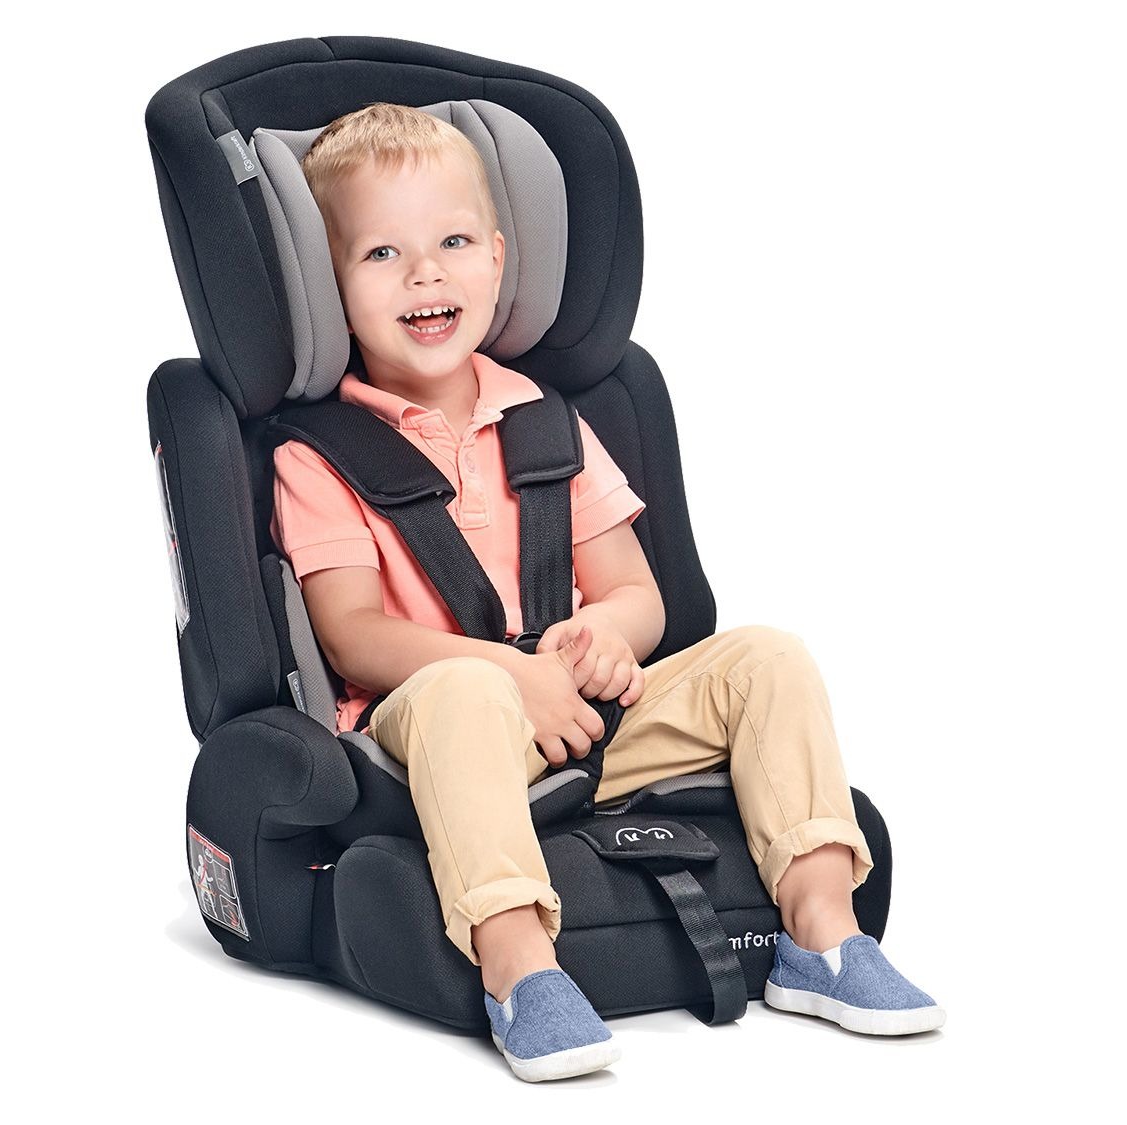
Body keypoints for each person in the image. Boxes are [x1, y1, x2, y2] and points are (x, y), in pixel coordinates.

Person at [271, 103, 943, 1082]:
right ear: (332, 285)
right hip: (431, 731)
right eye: (382, 253)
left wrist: (604, 636)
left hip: (583, 717)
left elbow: (637, 591)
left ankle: (823, 934)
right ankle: (521, 970)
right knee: (464, 695)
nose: (426, 274)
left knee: (767, 655)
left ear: (499, 258)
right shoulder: (318, 456)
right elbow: (353, 634)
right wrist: (511, 676)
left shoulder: (548, 424)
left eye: (453, 242)